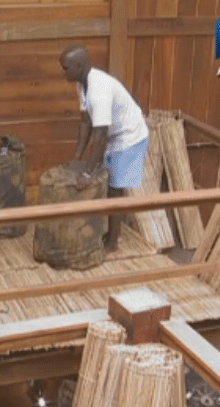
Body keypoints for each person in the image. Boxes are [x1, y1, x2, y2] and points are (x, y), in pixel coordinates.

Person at [60, 44, 149, 252]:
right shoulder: (82, 84)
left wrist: (88, 173)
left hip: (130, 136)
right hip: (114, 136)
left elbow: (99, 135)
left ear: (79, 66)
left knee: (115, 188)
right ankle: (111, 232)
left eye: (66, 68)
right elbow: (85, 123)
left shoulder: (98, 90)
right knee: (111, 185)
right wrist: (77, 157)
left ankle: (113, 242)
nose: (63, 72)